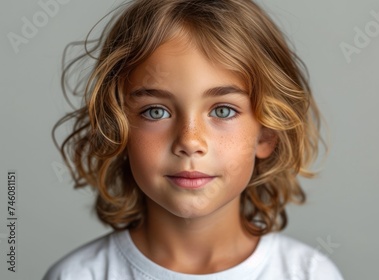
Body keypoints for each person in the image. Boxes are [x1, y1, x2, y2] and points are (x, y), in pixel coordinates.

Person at [43, 0, 344, 279]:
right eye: (156, 111)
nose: (190, 141)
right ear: (117, 128)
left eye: (223, 110)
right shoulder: (78, 275)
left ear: (267, 133)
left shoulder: (309, 274)